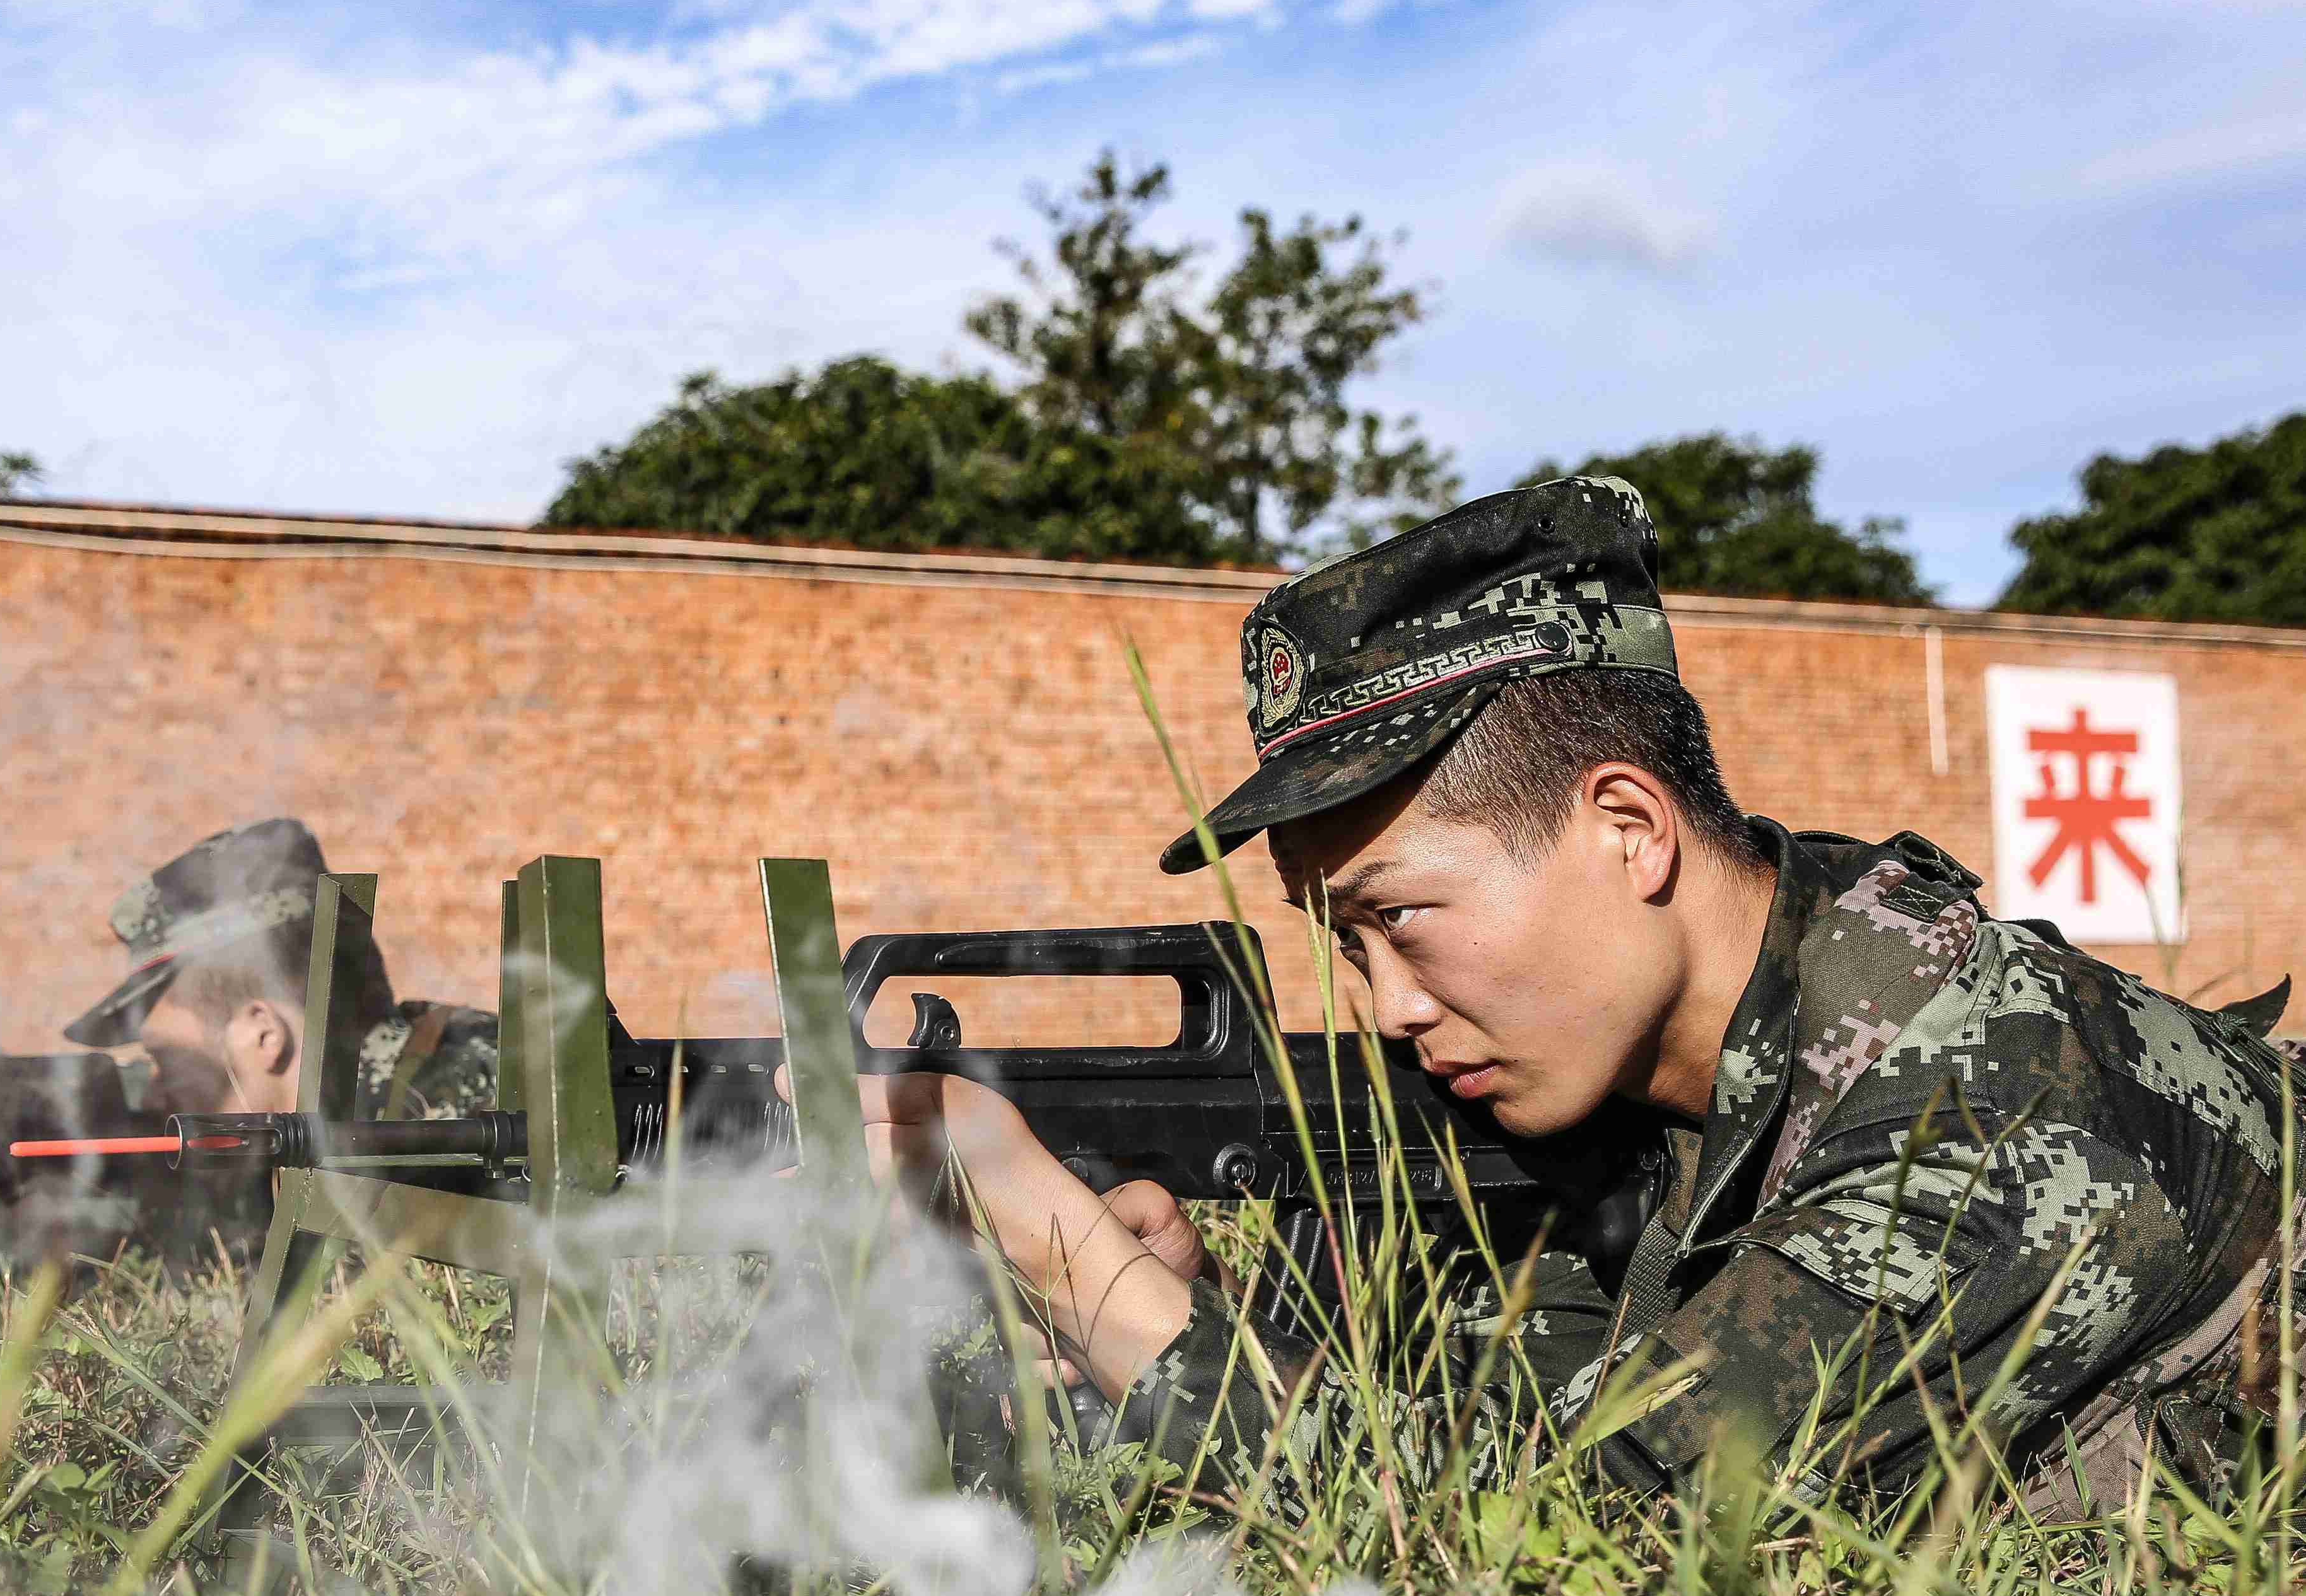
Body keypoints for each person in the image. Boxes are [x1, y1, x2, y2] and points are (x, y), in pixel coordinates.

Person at [872, 477, 2297, 1513]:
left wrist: (1071, 1260)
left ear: (1628, 829)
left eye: (1399, 919)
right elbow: (1490, 1412)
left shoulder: (1980, 1105)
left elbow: (1563, 1527)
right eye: (1345, 945)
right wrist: (1213, 1314)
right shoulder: (1660, 1076)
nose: (1385, 1007)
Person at [66, 818, 500, 1124]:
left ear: (264, 1034)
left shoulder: (461, 1108)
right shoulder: (345, 1124)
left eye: (166, 1059)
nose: (151, 1096)